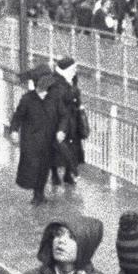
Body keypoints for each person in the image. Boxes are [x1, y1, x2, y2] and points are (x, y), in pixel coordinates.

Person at [12, 66, 60, 206]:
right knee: (34, 167)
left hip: (48, 141)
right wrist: (14, 130)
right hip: (31, 141)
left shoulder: (53, 98)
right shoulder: (27, 99)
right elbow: (17, 117)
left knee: (44, 168)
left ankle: (39, 193)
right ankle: (37, 194)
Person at [47, 57, 88, 190]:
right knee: (58, 147)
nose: (75, 71)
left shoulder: (70, 80)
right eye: (73, 69)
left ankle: (67, 174)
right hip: (60, 120)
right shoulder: (57, 83)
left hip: (71, 119)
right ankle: (57, 174)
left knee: (72, 147)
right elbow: (64, 99)